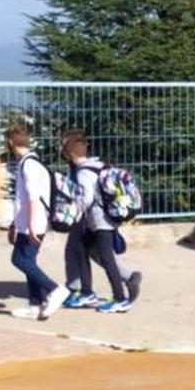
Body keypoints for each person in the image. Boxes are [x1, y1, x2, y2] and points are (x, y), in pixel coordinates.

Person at [59, 131, 132, 313]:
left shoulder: (83, 172)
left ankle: (120, 298)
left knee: (107, 259)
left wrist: (74, 211)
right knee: (80, 249)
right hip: (102, 218)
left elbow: (87, 198)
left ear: (72, 155)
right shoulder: (98, 165)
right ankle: (86, 292)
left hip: (100, 221)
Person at [4, 123, 69, 320]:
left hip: (34, 222)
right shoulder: (30, 162)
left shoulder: (29, 165)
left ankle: (55, 290)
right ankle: (35, 305)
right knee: (28, 261)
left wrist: (30, 226)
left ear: (11, 143)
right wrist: (14, 224)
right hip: (28, 222)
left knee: (19, 260)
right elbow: (24, 199)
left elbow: (32, 197)